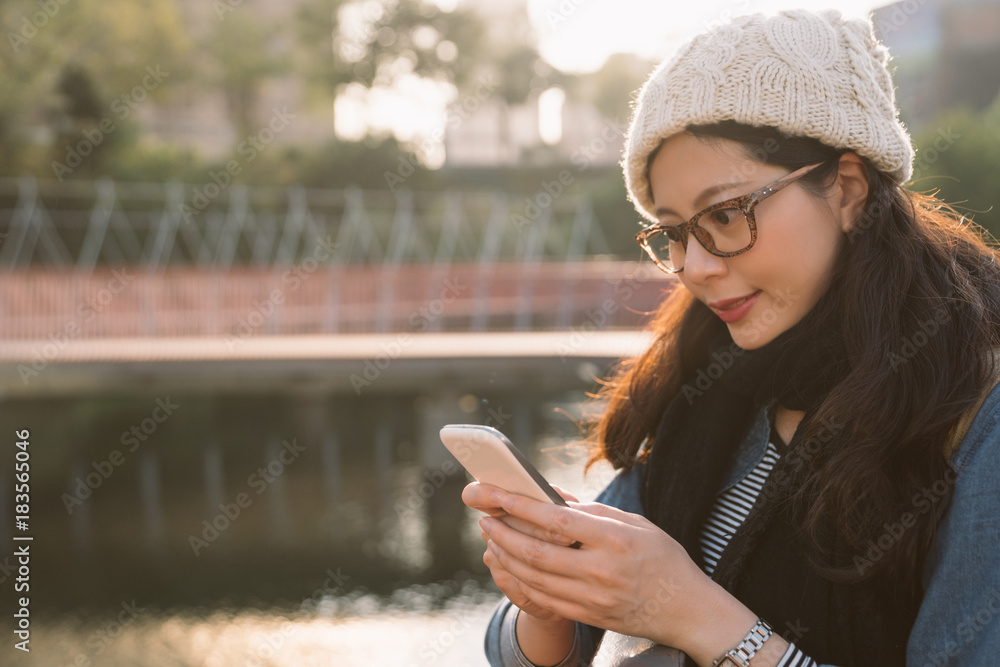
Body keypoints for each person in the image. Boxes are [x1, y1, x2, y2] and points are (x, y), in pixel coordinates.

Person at [462, 8, 1000, 667]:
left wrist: (700, 617)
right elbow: (522, 650)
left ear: (849, 189)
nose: (694, 266)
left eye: (725, 214)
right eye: (676, 232)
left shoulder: (977, 409)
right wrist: (549, 600)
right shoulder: (710, 374)